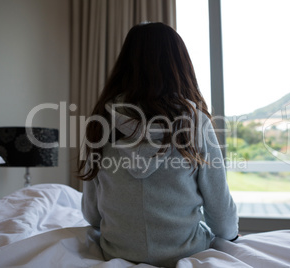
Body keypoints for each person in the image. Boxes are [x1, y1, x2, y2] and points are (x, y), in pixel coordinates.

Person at [79, 22, 238, 268]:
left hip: (117, 252)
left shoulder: (101, 121)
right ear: (179, 65)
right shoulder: (195, 121)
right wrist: (231, 237)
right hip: (187, 251)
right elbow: (220, 212)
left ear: (125, 64)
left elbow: (92, 214)